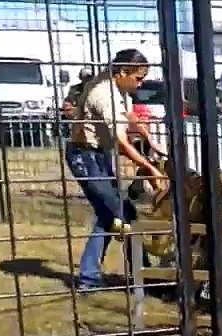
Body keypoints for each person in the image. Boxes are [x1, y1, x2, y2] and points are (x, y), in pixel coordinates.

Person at [66, 48, 165, 291]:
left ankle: (92, 278)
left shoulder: (119, 89)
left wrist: (148, 139)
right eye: (138, 78)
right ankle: (140, 275)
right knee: (123, 213)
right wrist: (147, 166)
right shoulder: (104, 94)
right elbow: (121, 141)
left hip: (99, 154)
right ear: (122, 72)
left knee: (110, 216)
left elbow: (128, 115)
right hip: (84, 156)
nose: (140, 83)